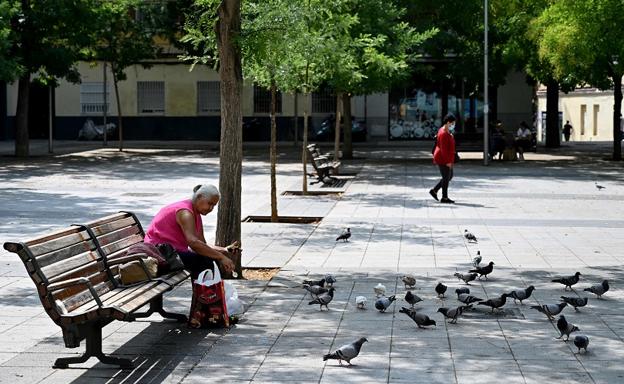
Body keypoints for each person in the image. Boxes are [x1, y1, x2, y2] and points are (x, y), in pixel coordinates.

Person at [144, 184, 236, 279]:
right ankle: (206, 292)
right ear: (199, 197)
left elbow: (202, 244)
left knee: (208, 259)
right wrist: (221, 257)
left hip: (170, 252)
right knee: (204, 262)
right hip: (159, 253)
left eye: (214, 205)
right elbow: (193, 243)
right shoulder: (185, 213)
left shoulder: (195, 213)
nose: (211, 208)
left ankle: (205, 292)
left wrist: (224, 250)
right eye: (209, 203)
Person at [429, 113, 457, 204]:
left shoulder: (444, 130)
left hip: (446, 157)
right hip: (443, 158)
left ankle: (434, 191)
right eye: (452, 123)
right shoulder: (444, 133)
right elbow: (444, 150)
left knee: (449, 176)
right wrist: (447, 162)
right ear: (448, 122)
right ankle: (444, 198)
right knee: (446, 177)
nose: (453, 125)